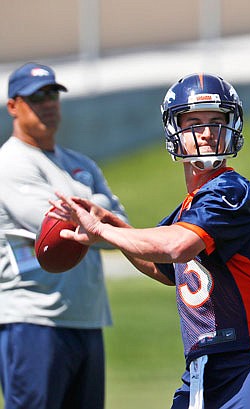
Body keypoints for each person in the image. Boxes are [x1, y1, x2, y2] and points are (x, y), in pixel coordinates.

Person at [51, 73, 250, 409]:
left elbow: (175, 247)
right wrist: (113, 225)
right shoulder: (188, 208)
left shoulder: (232, 191)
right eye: (194, 122)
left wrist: (105, 232)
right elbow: (164, 267)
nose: (207, 131)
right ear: (174, 131)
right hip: (202, 368)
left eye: (216, 120)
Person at [0, 62, 128, 408]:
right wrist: (98, 210)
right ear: (13, 105)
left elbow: (121, 226)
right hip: (33, 318)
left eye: (53, 94)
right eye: (36, 96)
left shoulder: (81, 164)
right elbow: (56, 228)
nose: (48, 103)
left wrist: (90, 217)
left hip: (86, 317)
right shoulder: (10, 163)